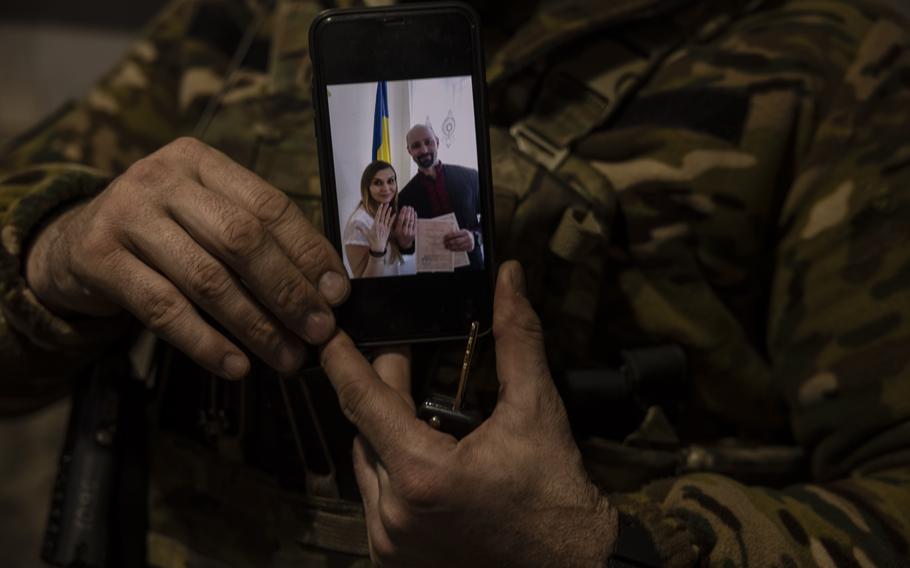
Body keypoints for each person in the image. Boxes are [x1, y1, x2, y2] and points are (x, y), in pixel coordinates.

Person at [1, 0, 910, 566]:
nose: (413, 165)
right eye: (403, 160)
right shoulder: (242, 23)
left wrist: (601, 545)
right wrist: (63, 247)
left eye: (421, 158)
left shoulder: (827, 58)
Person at [398, 124, 483, 270]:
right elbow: (407, 249)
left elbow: (490, 219)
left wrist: (476, 237)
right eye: (416, 146)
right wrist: (404, 242)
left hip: (474, 270)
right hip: (432, 278)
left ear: (437, 142)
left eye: (428, 142)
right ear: (409, 151)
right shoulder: (403, 197)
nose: (424, 150)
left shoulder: (471, 177)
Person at [342, 160, 417, 278]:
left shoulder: (390, 210)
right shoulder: (359, 223)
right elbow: (364, 283)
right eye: (378, 183)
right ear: (367, 188)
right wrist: (377, 252)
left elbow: (397, 257)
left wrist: (405, 243)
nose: (386, 188)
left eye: (390, 181)